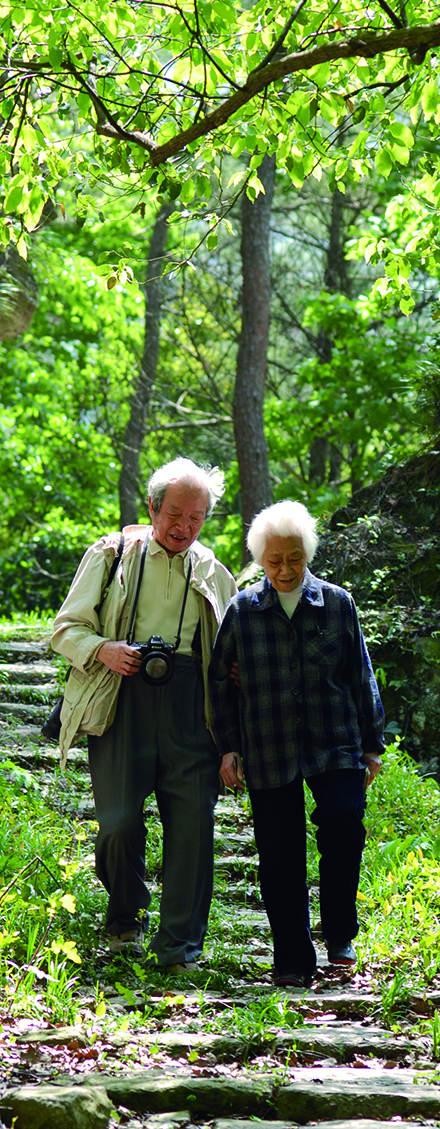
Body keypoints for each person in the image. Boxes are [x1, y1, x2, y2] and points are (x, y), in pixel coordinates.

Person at [51, 457, 237, 968]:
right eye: (174, 514)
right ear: (152, 507)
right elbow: (64, 629)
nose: (183, 527)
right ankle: (126, 912)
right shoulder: (110, 556)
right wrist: (104, 649)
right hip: (120, 697)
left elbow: (231, 655)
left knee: (193, 824)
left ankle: (180, 944)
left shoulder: (213, 572)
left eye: (196, 518)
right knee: (116, 822)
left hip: (189, 707)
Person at [209, 500, 384, 988]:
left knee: (344, 829)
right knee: (279, 852)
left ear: (307, 556)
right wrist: (228, 747)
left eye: (294, 559)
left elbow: (359, 676)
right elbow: (219, 682)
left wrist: (372, 745)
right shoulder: (243, 610)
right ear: (260, 560)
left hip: (335, 739)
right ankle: (291, 956)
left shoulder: (337, 602)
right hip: (269, 743)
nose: (285, 570)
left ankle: (340, 935)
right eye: (274, 561)